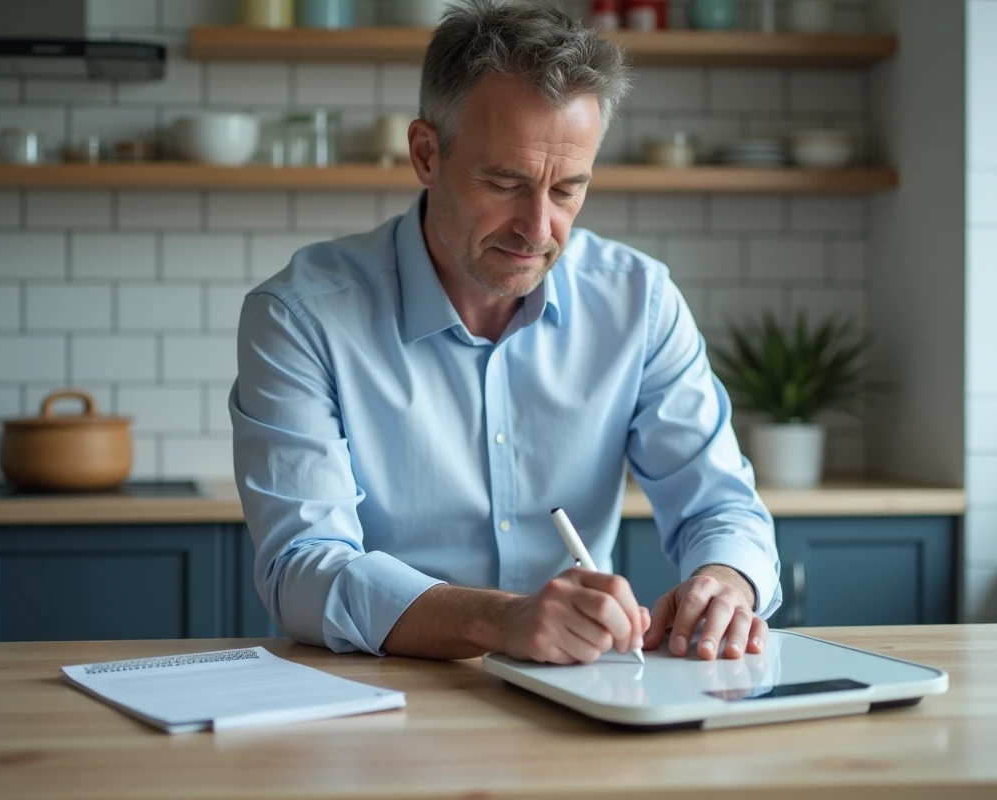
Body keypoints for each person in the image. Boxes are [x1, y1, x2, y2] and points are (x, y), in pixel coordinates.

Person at [230, 0, 781, 665]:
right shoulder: (302, 316)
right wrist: (499, 622)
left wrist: (724, 582)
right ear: (426, 154)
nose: (538, 228)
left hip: (589, 700)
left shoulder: (639, 302)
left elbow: (721, 505)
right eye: (505, 182)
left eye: (568, 189)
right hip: (386, 703)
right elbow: (302, 570)